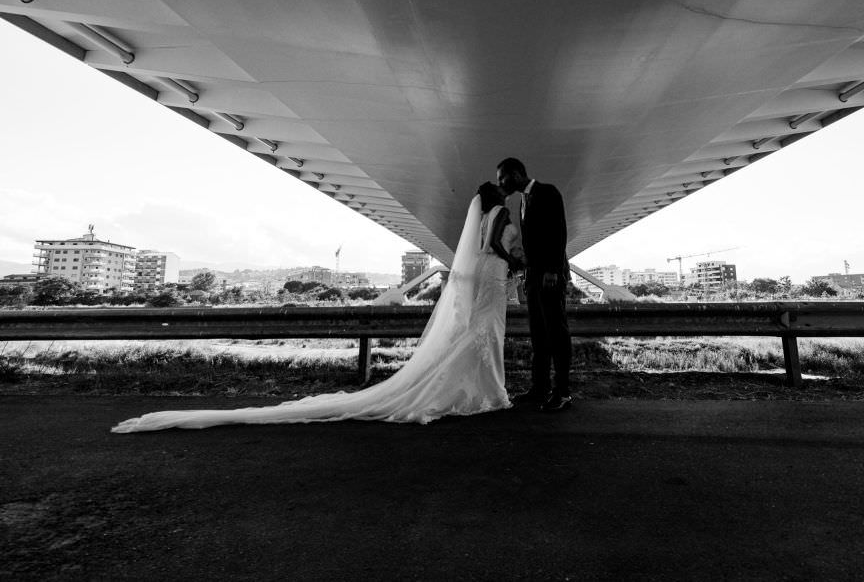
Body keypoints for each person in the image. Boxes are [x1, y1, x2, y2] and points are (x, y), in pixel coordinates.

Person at [111, 183, 520, 432]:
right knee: (485, 334)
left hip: (481, 276)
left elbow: (482, 249)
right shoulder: (502, 212)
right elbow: (501, 247)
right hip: (495, 276)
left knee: (474, 334)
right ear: (497, 195)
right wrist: (519, 261)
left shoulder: (482, 217)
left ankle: (477, 389)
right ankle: (487, 390)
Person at [496, 157, 573, 412]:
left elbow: (559, 232)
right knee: (539, 334)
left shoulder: (547, 192)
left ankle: (562, 392)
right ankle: (540, 388)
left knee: (557, 333)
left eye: (502, 178)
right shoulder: (522, 202)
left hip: (550, 276)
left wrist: (552, 270)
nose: (500, 184)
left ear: (516, 174)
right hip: (533, 276)